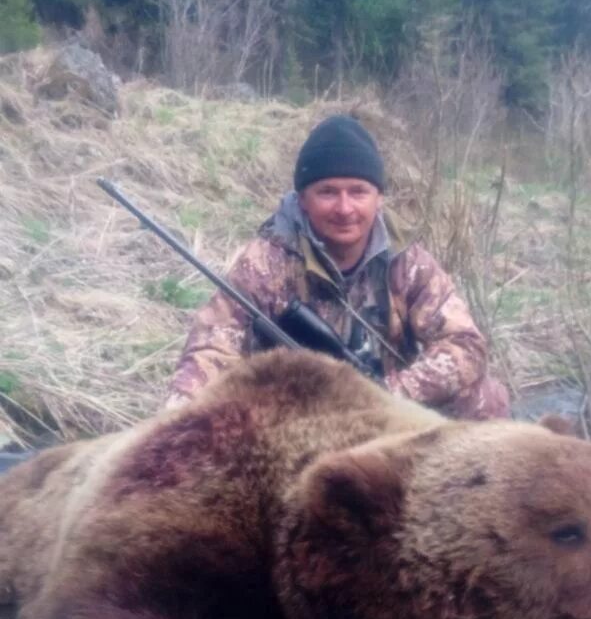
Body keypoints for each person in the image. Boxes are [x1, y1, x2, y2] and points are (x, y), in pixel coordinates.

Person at [167, 115, 509, 419]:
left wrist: (389, 395)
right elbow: (211, 350)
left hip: (387, 407)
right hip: (293, 414)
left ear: (379, 198)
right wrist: (177, 418)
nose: (345, 208)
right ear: (302, 199)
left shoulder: (408, 262)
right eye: (327, 192)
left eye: (358, 192)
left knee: (485, 397)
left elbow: (465, 344)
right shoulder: (265, 262)